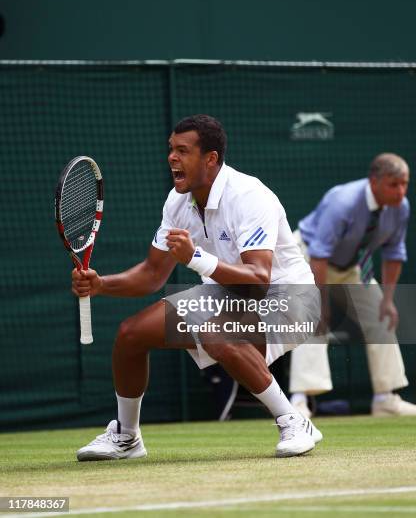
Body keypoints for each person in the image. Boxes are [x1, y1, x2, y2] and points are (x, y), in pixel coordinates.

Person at [72, 114, 322, 460]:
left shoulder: (249, 197)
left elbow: (259, 280)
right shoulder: (176, 203)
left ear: (211, 159)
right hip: (226, 296)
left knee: (218, 333)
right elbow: (151, 274)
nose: (172, 158)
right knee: (131, 334)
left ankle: (293, 420)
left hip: (290, 300)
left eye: (182, 151)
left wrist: (197, 258)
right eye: (171, 150)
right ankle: (127, 437)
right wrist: (101, 284)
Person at [289, 153, 416, 418]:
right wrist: (321, 304)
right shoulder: (342, 201)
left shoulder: (401, 207)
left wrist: (388, 300)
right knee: (311, 318)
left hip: (350, 266)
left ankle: (385, 399)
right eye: (394, 184)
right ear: (374, 182)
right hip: (307, 257)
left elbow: (394, 254)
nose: (401, 191)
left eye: (405, 184)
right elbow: (319, 256)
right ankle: (300, 401)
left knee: (382, 318)